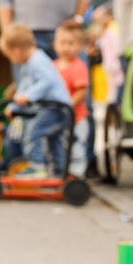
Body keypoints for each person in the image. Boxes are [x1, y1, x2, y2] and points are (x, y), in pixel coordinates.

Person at [0, 24, 74, 179]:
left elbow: (48, 80)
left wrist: (29, 96)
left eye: (10, 57)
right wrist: (14, 105)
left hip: (56, 108)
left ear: (16, 51)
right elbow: (23, 88)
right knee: (54, 143)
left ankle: (37, 167)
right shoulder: (28, 64)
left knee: (33, 132)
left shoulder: (37, 60)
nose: (12, 60)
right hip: (52, 108)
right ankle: (60, 173)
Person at [52, 23, 89, 177]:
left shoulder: (78, 66)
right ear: (55, 45)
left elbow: (82, 91)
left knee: (77, 148)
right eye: (62, 43)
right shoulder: (53, 66)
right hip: (59, 118)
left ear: (79, 46)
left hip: (77, 118)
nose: (66, 47)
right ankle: (59, 173)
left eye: (71, 43)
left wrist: (68, 105)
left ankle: (76, 176)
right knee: (59, 147)